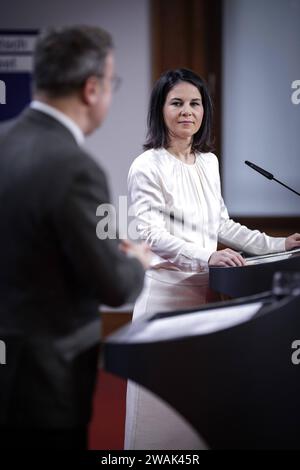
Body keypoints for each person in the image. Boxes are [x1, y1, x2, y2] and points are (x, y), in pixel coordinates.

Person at [125, 68, 300, 449]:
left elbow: (222, 223)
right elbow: (151, 235)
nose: (187, 111)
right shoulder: (147, 166)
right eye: (177, 103)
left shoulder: (208, 162)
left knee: (198, 415)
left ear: (205, 110)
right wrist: (208, 256)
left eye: (195, 103)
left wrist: (278, 245)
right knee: (160, 419)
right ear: (160, 109)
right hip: (166, 299)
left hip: (208, 297)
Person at [0, 26, 151, 449]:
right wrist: (136, 259)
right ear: (92, 89)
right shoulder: (79, 169)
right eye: (112, 83)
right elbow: (116, 285)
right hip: (46, 382)